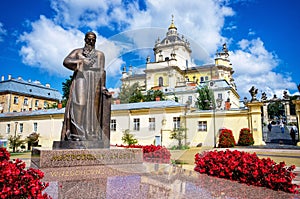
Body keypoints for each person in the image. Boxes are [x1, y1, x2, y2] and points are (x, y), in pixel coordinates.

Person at [61, 31, 111, 147]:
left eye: (93, 39)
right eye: (89, 39)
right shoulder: (77, 52)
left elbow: (102, 71)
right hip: (81, 77)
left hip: (95, 80)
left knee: (93, 108)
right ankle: (76, 134)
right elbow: (66, 62)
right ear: (85, 39)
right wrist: (81, 61)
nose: (91, 41)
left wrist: (103, 86)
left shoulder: (100, 54)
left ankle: (91, 134)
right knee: (79, 103)